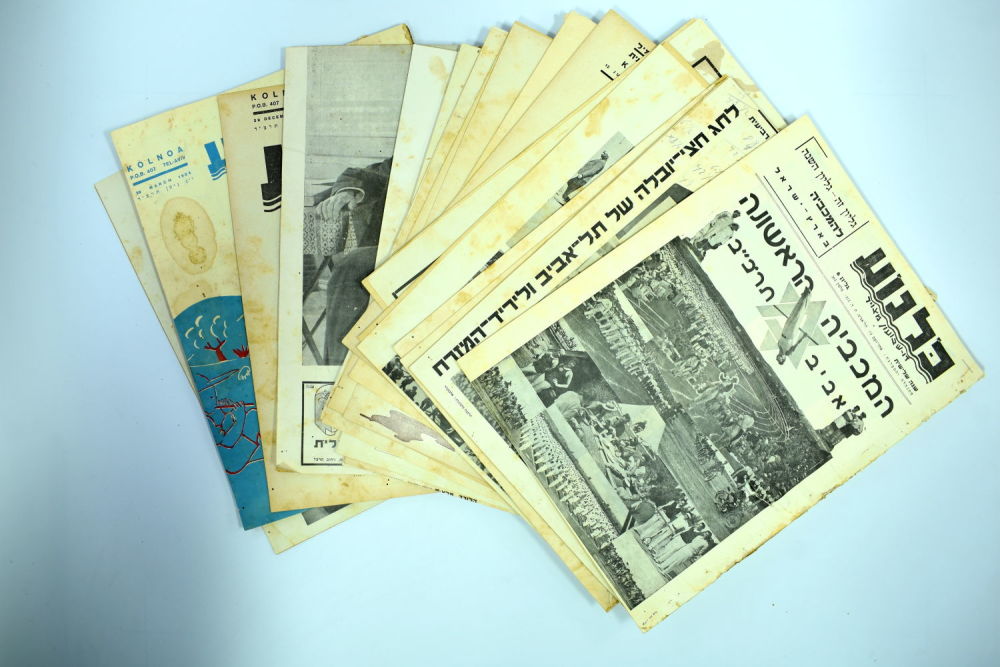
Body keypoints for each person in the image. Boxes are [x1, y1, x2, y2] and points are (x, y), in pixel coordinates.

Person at [307, 157, 391, 365]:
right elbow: (364, 174)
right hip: (397, 249)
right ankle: (336, 370)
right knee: (352, 268)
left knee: (353, 266)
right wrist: (348, 191)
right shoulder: (418, 152)